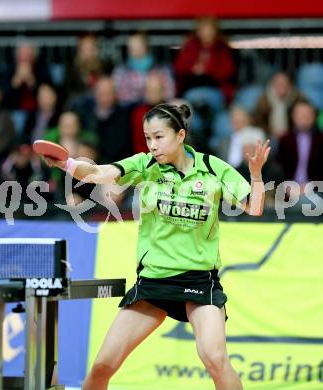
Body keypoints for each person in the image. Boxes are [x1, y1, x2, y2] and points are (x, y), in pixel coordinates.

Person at [43, 103, 270, 390]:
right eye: (148, 137)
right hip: (153, 281)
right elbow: (98, 173)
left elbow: (255, 207)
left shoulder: (213, 168)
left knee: (215, 359)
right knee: (103, 365)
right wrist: (67, 164)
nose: (152, 145)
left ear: (180, 135)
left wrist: (257, 175)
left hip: (199, 282)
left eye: (159, 137)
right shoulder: (144, 166)